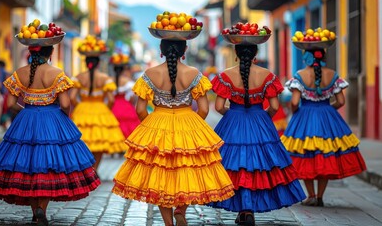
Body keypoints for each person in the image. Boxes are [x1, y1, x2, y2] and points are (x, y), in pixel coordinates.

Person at [112, 39, 235, 226]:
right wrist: (191, 128)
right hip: (187, 122)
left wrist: (153, 128)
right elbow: (203, 109)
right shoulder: (194, 73)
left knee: (162, 175)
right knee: (185, 170)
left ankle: (168, 223)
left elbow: (140, 110)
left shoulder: (149, 74)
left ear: (161, 52)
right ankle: (181, 210)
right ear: (184, 51)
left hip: (158, 122)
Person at [0, 44, 101, 226]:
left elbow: (11, 103)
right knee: (48, 166)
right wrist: (63, 116)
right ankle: (41, 210)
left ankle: (35, 212)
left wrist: (26, 111)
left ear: (30, 52)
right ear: (51, 53)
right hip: (52, 119)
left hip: (27, 118)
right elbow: (65, 103)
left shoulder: (19, 72)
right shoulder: (57, 73)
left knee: (29, 166)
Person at [208, 44, 306, 226]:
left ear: (236, 56)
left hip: (233, 123)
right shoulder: (267, 76)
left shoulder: (225, 76)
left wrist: (233, 116)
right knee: (257, 166)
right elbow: (275, 107)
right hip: (259, 120)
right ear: (255, 56)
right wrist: (262, 118)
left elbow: (219, 107)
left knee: (235, 166)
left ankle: (242, 209)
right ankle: (249, 210)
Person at [281, 48, 367, 207]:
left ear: (306, 57)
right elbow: (341, 102)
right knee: (326, 154)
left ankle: (311, 195)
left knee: (305, 153)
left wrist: (296, 112)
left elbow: (294, 102)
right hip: (327, 118)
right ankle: (320, 197)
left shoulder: (300, 75)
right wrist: (327, 110)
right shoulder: (333, 75)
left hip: (304, 117)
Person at [70, 56, 126, 173]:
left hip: (83, 110)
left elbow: (72, 97)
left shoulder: (79, 77)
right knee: (99, 144)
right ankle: (94, 170)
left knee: (83, 142)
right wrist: (105, 110)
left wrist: (79, 107)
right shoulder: (105, 78)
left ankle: (85, 169)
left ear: (86, 63)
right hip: (100, 109)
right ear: (98, 64)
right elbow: (111, 99)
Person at [111, 62, 140, 138]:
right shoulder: (128, 82)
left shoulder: (109, 80)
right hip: (126, 107)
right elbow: (133, 98)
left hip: (113, 106)